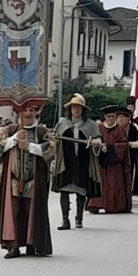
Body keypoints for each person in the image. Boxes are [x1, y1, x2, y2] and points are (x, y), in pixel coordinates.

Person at [0, 102, 54, 258]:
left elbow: (51, 150)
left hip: (33, 180)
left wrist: (30, 146)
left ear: (36, 113)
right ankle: (13, 246)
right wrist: (14, 139)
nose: (27, 114)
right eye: (24, 110)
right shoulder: (9, 130)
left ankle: (31, 244)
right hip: (12, 180)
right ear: (18, 112)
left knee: (31, 211)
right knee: (12, 211)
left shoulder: (41, 132)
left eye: (31, 110)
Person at [51, 93, 102, 229]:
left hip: (82, 161)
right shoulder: (62, 123)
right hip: (66, 161)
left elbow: (98, 141)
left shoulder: (90, 124)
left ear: (83, 110)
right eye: (74, 107)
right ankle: (65, 220)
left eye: (79, 107)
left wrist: (95, 142)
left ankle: (79, 217)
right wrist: (54, 141)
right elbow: (55, 141)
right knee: (64, 190)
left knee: (81, 190)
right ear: (70, 109)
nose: (76, 110)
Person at [87, 104, 133, 214]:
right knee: (100, 183)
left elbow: (123, 145)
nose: (111, 119)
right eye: (109, 117)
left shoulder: (119, 130)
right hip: (101, 162)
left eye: (113, 116)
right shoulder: (99, 129)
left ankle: (114, 206)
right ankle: (95, 204)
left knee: (113, 184)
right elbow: (94, 141)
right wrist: (98, 146)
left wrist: (109, 148)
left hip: (114, 164)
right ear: (105, 117)